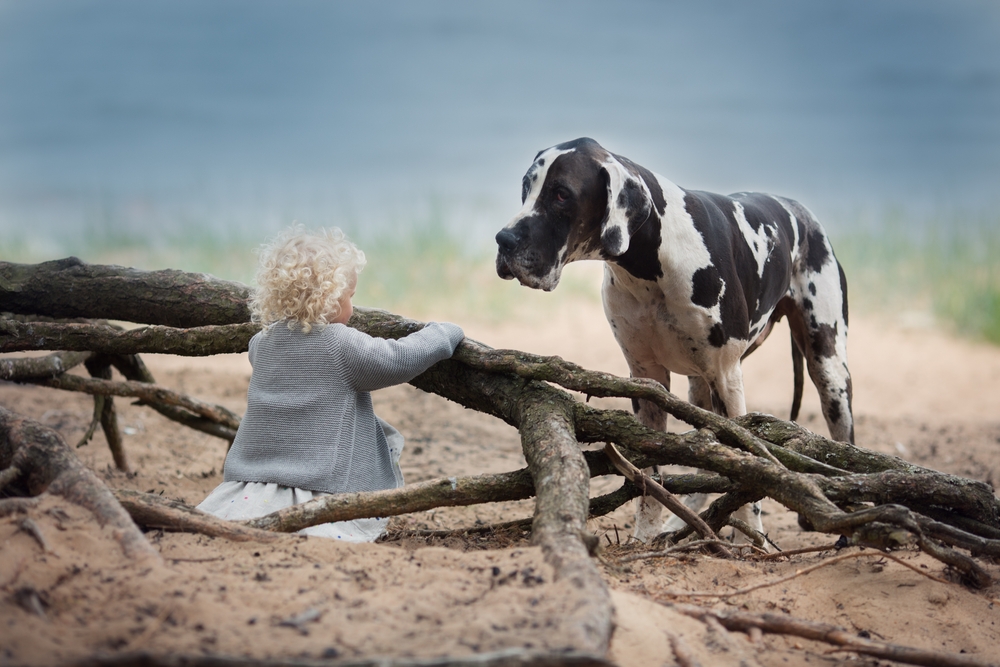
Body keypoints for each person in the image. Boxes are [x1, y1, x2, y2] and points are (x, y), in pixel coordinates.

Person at [197, 225, 464, 541]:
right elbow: (397, 358)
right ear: (332, 299)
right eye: (351, 297)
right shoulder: (340, 344)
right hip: (319, 487)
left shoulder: (261, 343)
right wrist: (444, 333)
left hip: (245, 485)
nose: (352, 308)